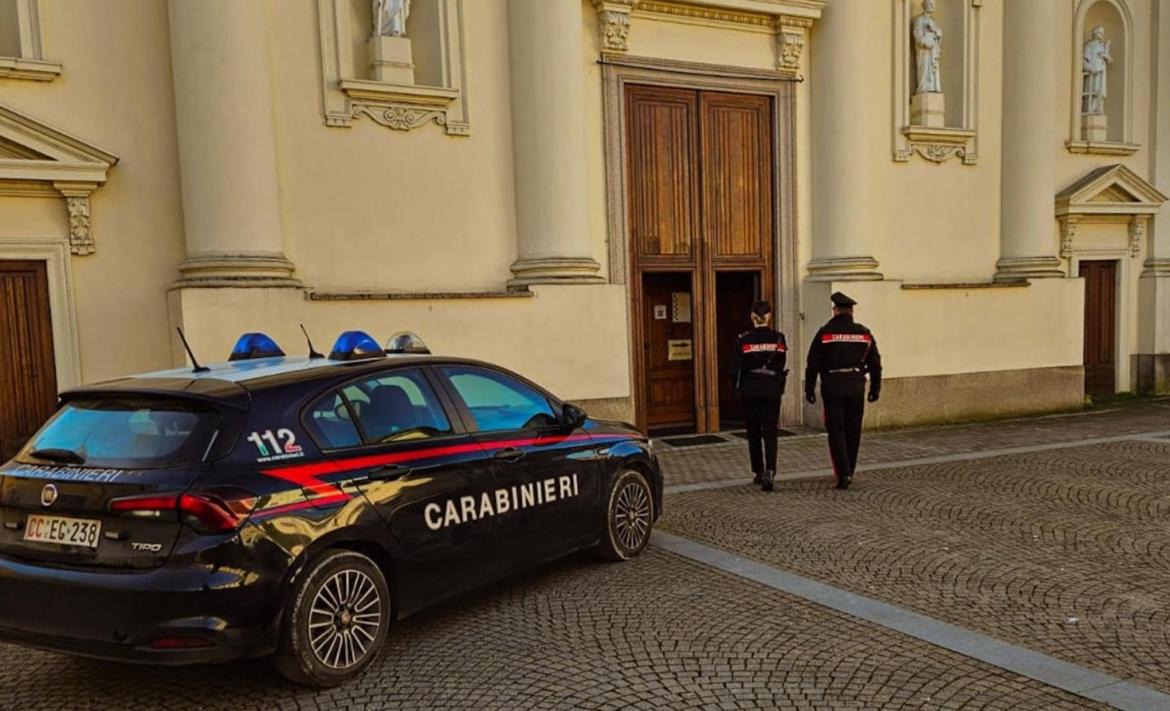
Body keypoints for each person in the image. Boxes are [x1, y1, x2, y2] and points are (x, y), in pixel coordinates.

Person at [804, 292, 882, 490]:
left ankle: (843, 473)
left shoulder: (825, 332)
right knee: (853, 429)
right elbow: (875, 362)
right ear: (852, 312)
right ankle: (850, 469)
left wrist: (810, 388)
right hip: (856, 385)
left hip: (833, 385)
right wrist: (875, 388)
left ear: (835, 310)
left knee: (836, 430)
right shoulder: (864, 333)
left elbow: (813, 362)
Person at [734, 300, 788, 492]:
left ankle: (758, 470)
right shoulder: (779, 339)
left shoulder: (743, 339)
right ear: (769, 316)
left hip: (751, 388)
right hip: (772, 388)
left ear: (752, 317)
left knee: (754, 431)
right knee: (771, 432)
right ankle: (771, 470)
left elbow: (737, 368)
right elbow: (781, 365)